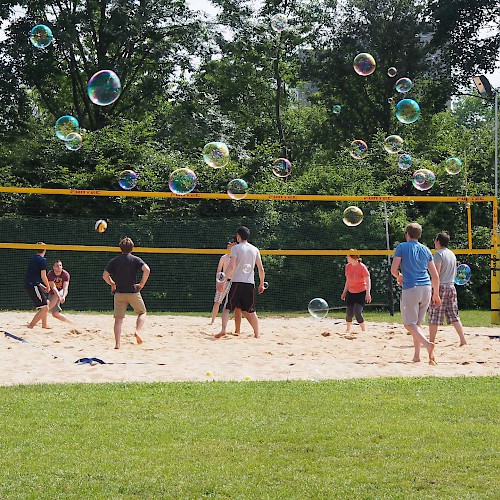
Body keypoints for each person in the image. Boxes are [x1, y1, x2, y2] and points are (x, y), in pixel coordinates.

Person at [391, 223, 441, 365]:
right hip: (426, 287)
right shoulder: (425, 249)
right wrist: (436, 294)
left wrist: (399, 276)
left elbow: (394, 270)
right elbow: (435, 276)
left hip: (411, 287)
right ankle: (417, 356)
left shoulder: (402, 247)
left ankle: (427, 344)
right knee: (417, 324)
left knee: (408, 324)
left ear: (407, 234)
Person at [215, 226, 265, 339]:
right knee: (251, 310)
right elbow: (261, 269)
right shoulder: (255, 249)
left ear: (239, 236)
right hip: (249, 283)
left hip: (237, 282)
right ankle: (257, 334)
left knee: (227, 307)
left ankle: (223, 329)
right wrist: (261, 284)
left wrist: (222, 281)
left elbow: (231, 266)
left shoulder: (236, 248)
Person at [102, 237, 150, 349]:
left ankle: (117, 344)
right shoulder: (135, 259)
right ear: (132, 248)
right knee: (142, 312)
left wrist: (113, 284)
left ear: (120, 248)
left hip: (119, 293)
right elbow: (147, 270)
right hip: (133, 291)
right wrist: (141, 284)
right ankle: (137, 331)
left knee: (118, 320)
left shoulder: (114, 261)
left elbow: (105, 276)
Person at [428, 232, 467, 346]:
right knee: (454, 314)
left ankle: (431, 342)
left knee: (434, 315)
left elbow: (436, 274)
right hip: (451, 286)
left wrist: (433, 289)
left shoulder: (438, 254)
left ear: (438, 241)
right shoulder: (451, 254)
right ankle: (463, 340)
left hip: (441, 286)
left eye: (435, 240)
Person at [340, 251, 372, 333]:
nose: (346, 257)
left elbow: (368, 281)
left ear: (353, 257)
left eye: (348, 256)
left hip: (361, 292)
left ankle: (364, 330)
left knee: (357, 312)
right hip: (351, 292)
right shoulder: (348, 267)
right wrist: (344, 292)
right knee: (349, 313)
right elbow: (348, 280)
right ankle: (348, 330)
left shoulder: (362, 267)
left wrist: (368, 293)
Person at [24, 242, 51, 329]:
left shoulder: (33, 259)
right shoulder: (42, 260)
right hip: (33, 285)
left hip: (32, 284)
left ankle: (44, 325)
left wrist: (41, 285)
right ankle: (31, 326)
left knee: (46, 303)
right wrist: (48, 286)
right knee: (45, 308)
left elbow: (33, 275)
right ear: (45, 250)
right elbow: (43, 276)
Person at [210, 238, 237, 325]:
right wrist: (218, 281)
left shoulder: (237, 257)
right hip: (224, 281)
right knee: (217, 301)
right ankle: (213, 321)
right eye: (228, 245)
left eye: (231, 245)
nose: (229, 247)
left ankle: (232, 321)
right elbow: (219, 271)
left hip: (235, 281)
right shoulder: (223, 258)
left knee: (235, 303)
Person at [47, 260, 74, 325]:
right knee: (55, 314)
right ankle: (71, 323)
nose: (59, 267)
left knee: (46, 308)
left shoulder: (65, 274)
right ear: (53, 267)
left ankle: (37, 321)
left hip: (61, 291)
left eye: (60, 265)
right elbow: (53, 287)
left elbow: (65, 287)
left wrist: (63, 297)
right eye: (57, 265)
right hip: (52, 292)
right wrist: (59, 297)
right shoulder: (50, 274)